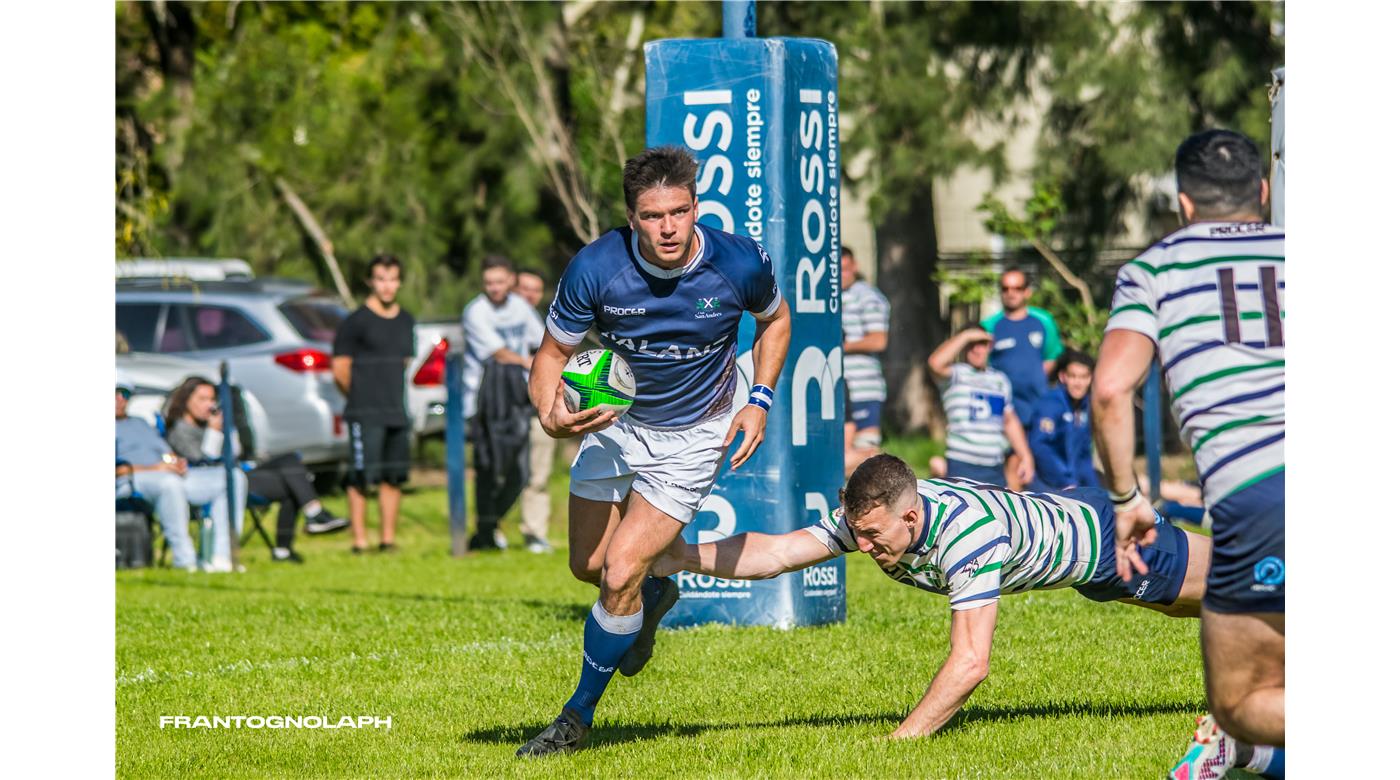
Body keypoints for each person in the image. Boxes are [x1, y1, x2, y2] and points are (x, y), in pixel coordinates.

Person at [515, 145, 791, 757]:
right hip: (616, 420)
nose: (667, 228)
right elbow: (551, 356)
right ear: (632, 217)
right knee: (588, 566)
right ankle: (658, 588)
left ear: (696, 207)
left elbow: (776, 321)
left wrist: (760, 400)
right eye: (651, 216)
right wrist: (552, 415)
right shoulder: (596, 267)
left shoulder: (739, 262)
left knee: (618, 572)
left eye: (678, 211)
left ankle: (575, 718)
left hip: (695, 433)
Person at [654, 454, 1208, 739]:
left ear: (911, 515)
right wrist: (682, 555)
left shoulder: (967, 536)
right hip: (1080, 550)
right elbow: (777, 554)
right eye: (858, 534)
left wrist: (903, 741)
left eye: (873, 537)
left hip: (1108, 541)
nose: (864, 547)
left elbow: (972, 663)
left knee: (1242, 587)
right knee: (1193, 608)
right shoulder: (873, 516)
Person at [1093, 129, 1284, 779]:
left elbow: (1112, 389)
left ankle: (1252, 750)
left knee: (1241, 702)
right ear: (1262, 192)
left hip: (1263, 489)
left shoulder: (1155, 269)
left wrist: (1127, 500)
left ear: (1182, 204)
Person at [162, 377, 349, 564]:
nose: (209, 405)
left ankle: (304, 525)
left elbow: (236, 452)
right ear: (186, 400)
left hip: (236, 474)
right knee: (293, 482)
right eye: (202, 400)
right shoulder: (179, 430)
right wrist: (213, 431)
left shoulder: (211, 423)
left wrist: (225, 429)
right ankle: (309, 521)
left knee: (291, 463)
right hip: (214, 483)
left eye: (212, 400)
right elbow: (204, 460)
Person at [115, 373, 246, 572]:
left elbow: (167, 453)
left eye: (124, 393)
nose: (120, 399)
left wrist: (175, 462)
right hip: (130, 481)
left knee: (233, 478)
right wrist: (156, 468)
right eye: (115, 393)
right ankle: (185, 560)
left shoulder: (139, 423)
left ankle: (220, 557)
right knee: (169, 484)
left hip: (169, 476)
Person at [461, 255, 546, 552]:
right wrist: (527, 360)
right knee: (487, 469)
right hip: (484, 401)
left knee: (520, 471)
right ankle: (485, 529)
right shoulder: (475, 311)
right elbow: (497, 353)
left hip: (517, 399)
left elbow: (540, 340)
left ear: (511, 280)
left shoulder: (520, 308)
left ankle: (487, 524)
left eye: (499, 281)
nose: (494, 288)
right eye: (488, 283)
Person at [332, 254, 416, 554]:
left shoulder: (406, 320)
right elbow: (340, 369)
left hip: (396, 409)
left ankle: (387, 539)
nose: (387, 286)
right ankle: (358, 541)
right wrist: (361, 397)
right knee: (360, 477)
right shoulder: (355, 322)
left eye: (392, 279)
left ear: (399, 281)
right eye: (381, 279)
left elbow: (404, 363)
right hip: (364, 411)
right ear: (370, 281)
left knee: (392, 477)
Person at [981, 268, 1062, 485]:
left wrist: (1033, 377)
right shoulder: (991, 325)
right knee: (1013, 460)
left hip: (1037, 404)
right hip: (1006, 409)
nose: (1011, 293)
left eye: (1017, 288)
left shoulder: (1043, 321)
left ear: (1027, 292)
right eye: (1005, 288)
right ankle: (1014, 512)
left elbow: (1052, 356)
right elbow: (983, 363)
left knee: (1041, 460)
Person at [926, 326, 1034, 488]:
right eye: (971, 344)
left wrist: (1026, 456)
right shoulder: (956, 375)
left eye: (982, 344)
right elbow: (935, 363)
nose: (977, 350)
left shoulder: (999, 379)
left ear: (989, 346)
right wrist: (966, 336)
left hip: (994, 467)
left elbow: (1009, 421)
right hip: (961, 463)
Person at [515, 268, 558, 554]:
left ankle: (535, 532)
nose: (529, 294)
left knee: (538, 473)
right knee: (502, 472)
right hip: (504, 408)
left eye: (536, 289)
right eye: (524, 288)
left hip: (536, 410)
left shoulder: (546, 324)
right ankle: (490, 529)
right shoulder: (496, 318)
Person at [839, 246, 890, 474]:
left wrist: (839, 348)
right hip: (842, 386)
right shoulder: (830, 296)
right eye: (837, 270)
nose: (841, 275)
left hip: (863, 388)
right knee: (844, 454)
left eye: (846, 270)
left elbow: (879, 340)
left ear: (855, 267)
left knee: (866, 459)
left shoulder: (867, 297)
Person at [1026, 349, 1100, 492]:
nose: (1078, 383)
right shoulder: (1050, 404)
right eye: (1073, 376)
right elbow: (1040, 447)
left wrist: (1094, 489)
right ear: (1062, 377)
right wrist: (1065, 481)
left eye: (1084, 377)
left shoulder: (1085, 406)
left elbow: (1084, 455)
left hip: (1073, 485)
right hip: (1047, 486)